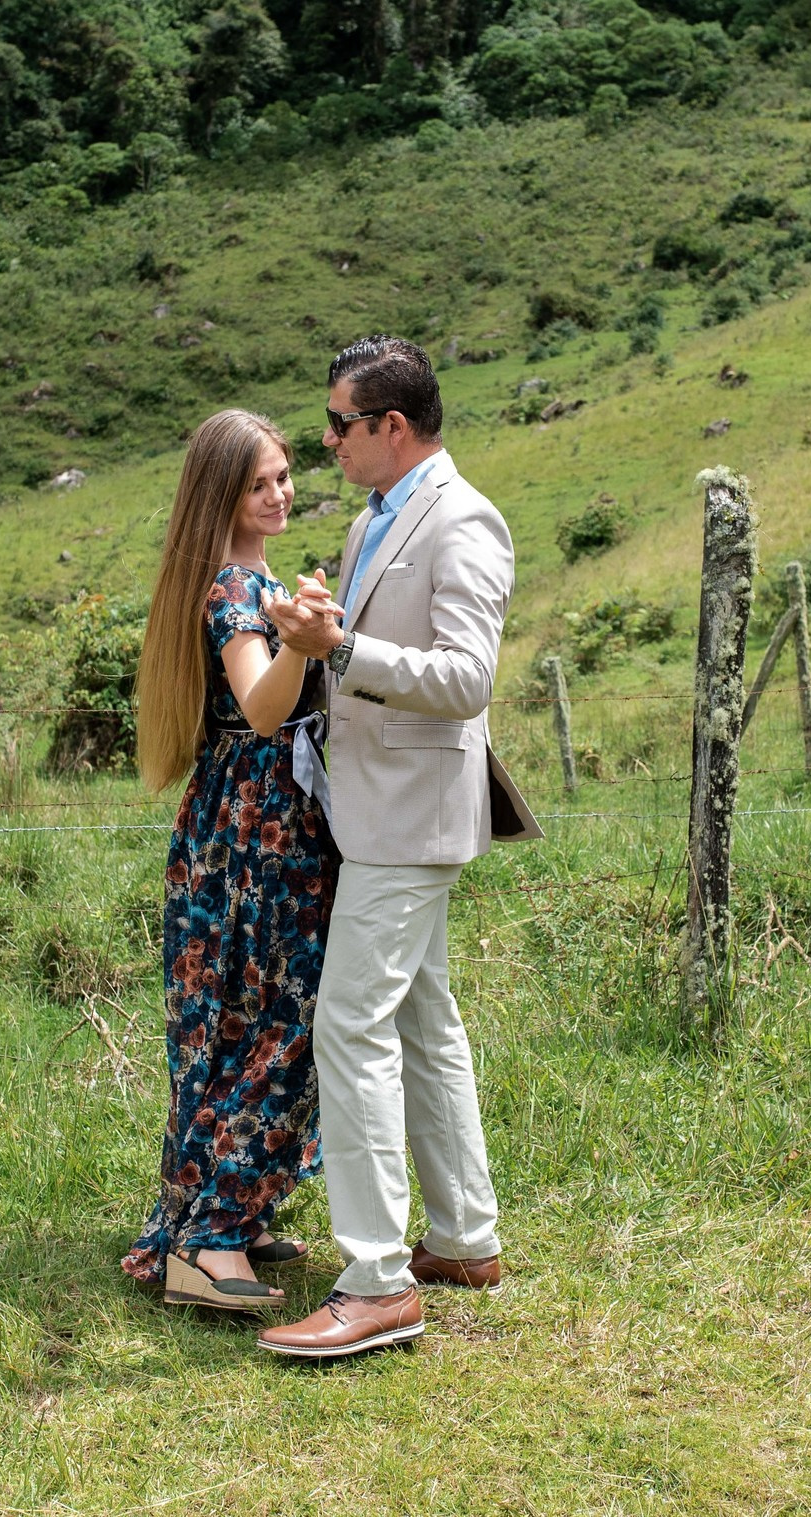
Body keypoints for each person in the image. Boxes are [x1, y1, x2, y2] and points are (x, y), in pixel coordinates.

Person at [255, 336, 541, 1360]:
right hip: (377, 807)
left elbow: (467, 678)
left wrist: (340, 648)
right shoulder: (374, 515)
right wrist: (318, 629)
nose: (326, 441)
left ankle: (377, 1281)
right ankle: (463, 1239)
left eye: (339, 423)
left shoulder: (463, 518)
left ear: (392, 425)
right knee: (422, 1018)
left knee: (349, 1024)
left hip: (413, 816)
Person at [124, 408, 336, 1313]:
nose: (280, 494)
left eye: (283, 475)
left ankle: (220, 1217)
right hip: (258, 836)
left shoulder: (250, 580)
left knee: (238, 1022)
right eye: (259, 484)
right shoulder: (233, 590)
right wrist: (303, 644)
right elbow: (260, 707)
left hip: (244, 823)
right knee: (279, 1019)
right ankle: (210, 1238)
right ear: (223, 494)